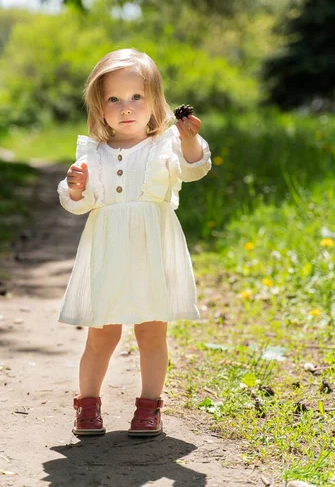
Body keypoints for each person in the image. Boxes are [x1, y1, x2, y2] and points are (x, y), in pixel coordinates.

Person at [57, 48, 212, 438]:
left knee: (150, 332)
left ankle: (149, 407)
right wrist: (75, 189)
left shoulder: (165, 145)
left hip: (152, 251)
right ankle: (88, 404)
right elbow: (81, 203)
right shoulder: (93, 153)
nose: (126, 107)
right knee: (102, 332)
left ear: (155, 100)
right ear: (99, 105)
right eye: (114, 99)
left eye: (136, 97)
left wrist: (190, 140)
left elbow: (194, 169)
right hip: (108, 251)